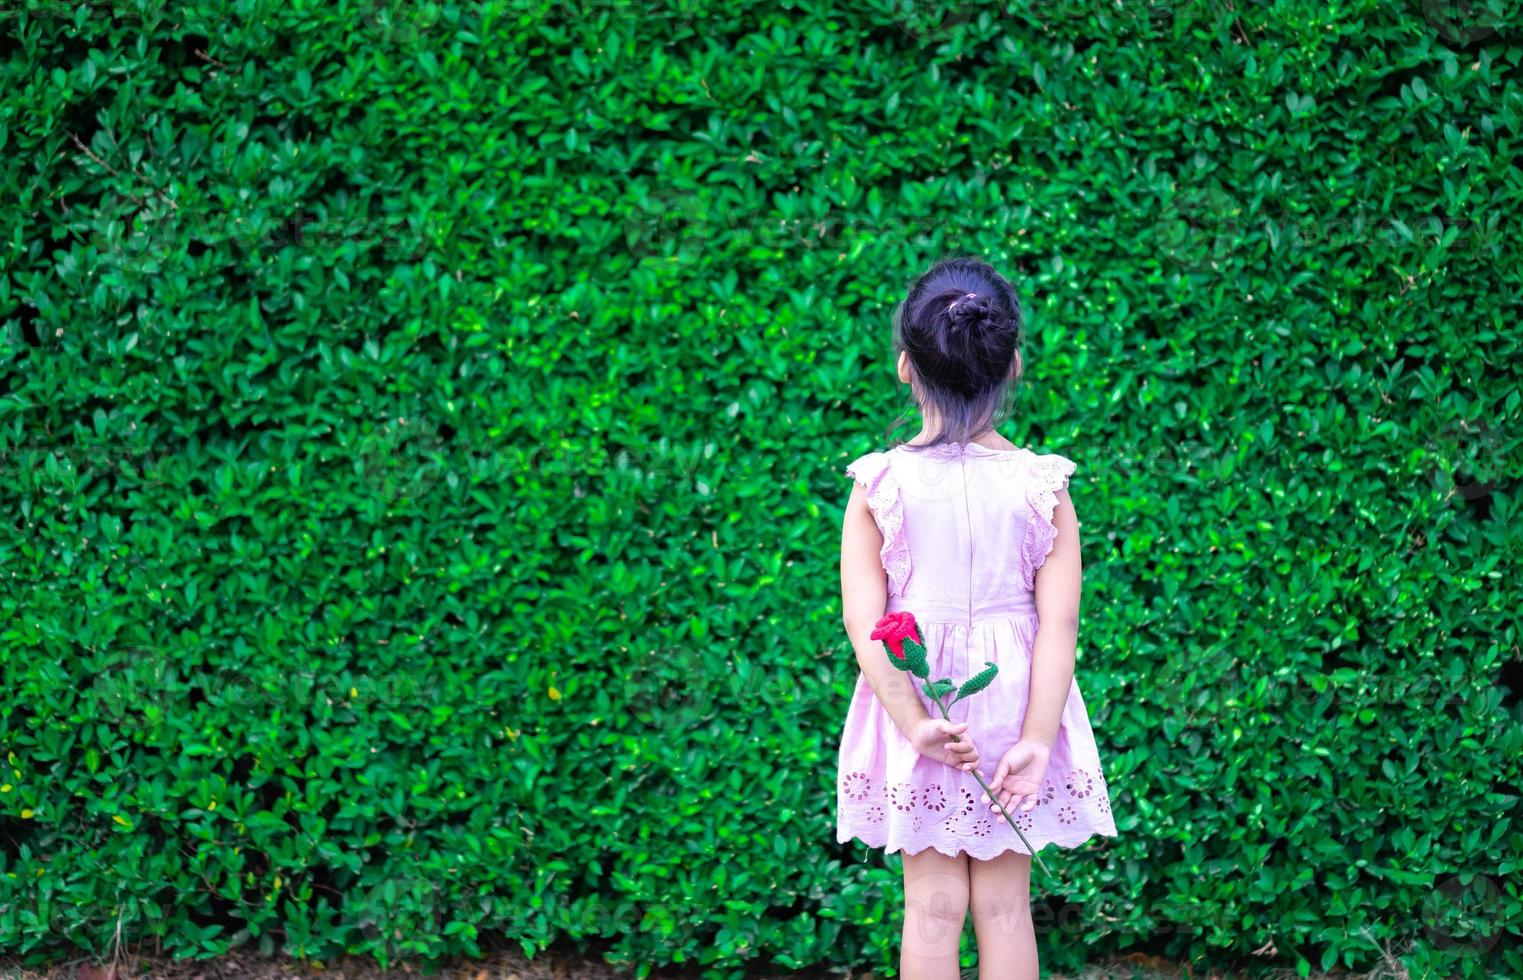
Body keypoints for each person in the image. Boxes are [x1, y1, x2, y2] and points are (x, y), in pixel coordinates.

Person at [837, 256, 1118, 979]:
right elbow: (1057, 625)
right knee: (1003, 909)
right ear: (1013, 362)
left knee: (929, 909)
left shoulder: (877, 484)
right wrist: (1034, 735)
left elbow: (863, 619)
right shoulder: (1042, 485)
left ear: (905, 366)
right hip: (1012, 703)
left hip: (921, 704)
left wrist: (913, 724)